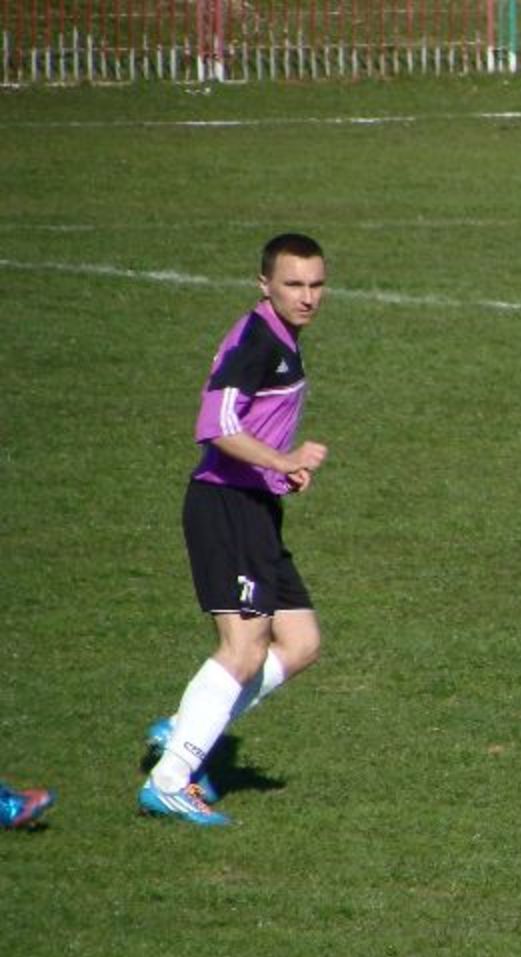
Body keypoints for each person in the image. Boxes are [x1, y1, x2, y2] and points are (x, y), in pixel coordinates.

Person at [139, 233, 330, 826]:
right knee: (243, 649)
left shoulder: (283, 340)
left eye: (316, 284)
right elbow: (215, 425)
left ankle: (191, 723)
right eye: (293, 284)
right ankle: (170, 778)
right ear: (265, 284)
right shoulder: (255, 343)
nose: (307, 297)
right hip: (224, 508)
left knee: (300, 644)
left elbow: (254, 426)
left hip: (255, 509)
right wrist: (282, 460)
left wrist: (278, 476)